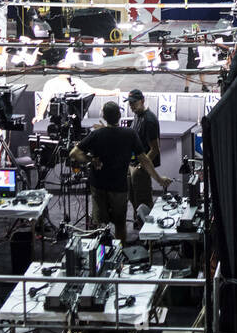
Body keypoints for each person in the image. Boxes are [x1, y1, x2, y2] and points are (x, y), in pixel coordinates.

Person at [70, 101, 172, 242]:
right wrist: (159, 179)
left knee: (100, 225)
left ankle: (101, 256)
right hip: (119, 187)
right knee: (120, 224)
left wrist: (90, 159)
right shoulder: (130, 134)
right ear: (119, 115)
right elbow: (144, 160)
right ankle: (120, 255)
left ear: (104, 116)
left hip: (98, 186)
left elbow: (74, 153)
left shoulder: (96, 134)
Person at [125, 89, 161, 222]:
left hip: (141, 167)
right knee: (133, 197)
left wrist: (141, 166)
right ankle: (139, 224)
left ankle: (148, 235)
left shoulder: (149, 120)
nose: (132, 106)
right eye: (130, 103)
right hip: (133, 164)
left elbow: (155, 149)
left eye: (134, 103)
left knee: (143, 201)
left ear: (142, 101)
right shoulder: (137, 115)